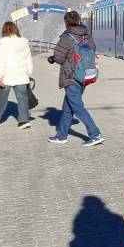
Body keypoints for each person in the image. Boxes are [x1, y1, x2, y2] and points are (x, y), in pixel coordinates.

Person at [47, 11, 104, 147]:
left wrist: (52, 59)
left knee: (77, 107)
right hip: (84, 75)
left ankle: (95, 134)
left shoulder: (67, 37)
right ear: (78, 21)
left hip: (71, 77)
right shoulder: (86, 36)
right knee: (68, 107)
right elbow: (92, 49)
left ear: (66, 22)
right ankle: (61, 136)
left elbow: (59, 58)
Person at [0, 21, 34, 129]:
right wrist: (28, 73)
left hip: (7, 76)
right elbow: (28, 59)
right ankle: (24, 121)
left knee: (1, 99)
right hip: (21, 75)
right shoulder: (24, 42)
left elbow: (1, 61)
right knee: (22, 99)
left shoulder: (3, 43)